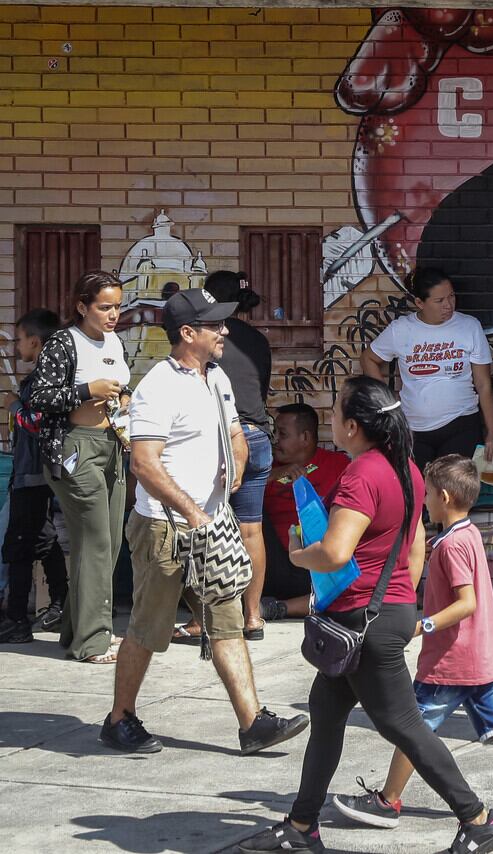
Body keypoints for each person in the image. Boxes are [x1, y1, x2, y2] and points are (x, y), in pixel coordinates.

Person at [238, 378, 493, 854]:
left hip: (364, 622)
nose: (331, 418)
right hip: (379, 614)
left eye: (337, 409)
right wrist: (401, 599)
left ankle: (477, 818)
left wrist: (300, 554)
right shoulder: (406, 467)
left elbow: (336, 552)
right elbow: (417, 544)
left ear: (353, 425)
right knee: (326, 712)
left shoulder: (362, 473)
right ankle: (301, 826)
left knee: (403, 723)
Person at [103, 288, 308, 755]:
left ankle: (253, 723)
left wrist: (235, 467)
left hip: (209, 527)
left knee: (228, 624)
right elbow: (144, 464)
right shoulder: (159, 386)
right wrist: (192, 512)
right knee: (148, 630)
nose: (225, 331)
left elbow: (236, 431)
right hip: (165, 530)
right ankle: (119, 718)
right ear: (188, 333)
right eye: (214, 325)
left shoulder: (215, 378)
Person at [333, 455, 493, 831]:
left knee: (413, 727)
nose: (423, 500)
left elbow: (466, 603)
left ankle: (388, 801)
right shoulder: (469, 534)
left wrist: (421, 625)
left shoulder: (451, 546)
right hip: (477, 658)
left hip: (451, 662)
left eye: (426, 494)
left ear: (442, 497)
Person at [30, 270, 132, 664]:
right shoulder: (63, 342)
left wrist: (123, 399)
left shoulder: (115, 341)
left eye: (117, 307)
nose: (112, 315)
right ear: (81, 307)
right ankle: (91, 641)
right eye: (104, 307)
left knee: (109, 541)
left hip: (112, 445)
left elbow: (120, 385)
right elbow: (39, 396)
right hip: (74, 446)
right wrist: (87, 390)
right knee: (95, 543)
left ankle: (81, 629)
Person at [184, 269, 274, 641]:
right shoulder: (258, 340)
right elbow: (262, 391)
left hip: (221, 440)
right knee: (251, 530)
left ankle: (200, 619)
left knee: (202, 528)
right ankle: (252, 618)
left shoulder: (205, 342)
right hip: (257, 438)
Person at [362, 267, 493, 469]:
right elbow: (368, 359)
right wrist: (389, 404)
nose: (449, 305)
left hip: (461, 423)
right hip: (413, 429)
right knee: (419, 495)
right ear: (419, 302)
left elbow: (483, 383)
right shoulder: (401, 330)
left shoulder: (469, 326)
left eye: (451, 297)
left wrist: (492, 432)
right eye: (439, 301)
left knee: (454, 494)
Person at [0, 309, 69, 644]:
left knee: (18, 548)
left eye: (21, 341)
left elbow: (38, 423)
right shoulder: (45, 376)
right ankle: (61, 604)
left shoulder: (42, 380)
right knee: (43, 539)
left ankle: (16, 620)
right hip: (34, 475)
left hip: (33, 475)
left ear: (36, 342)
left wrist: (14, 406)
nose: (16, 348)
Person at [258, 403, 350, 621]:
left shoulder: (338, 465)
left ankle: (279, 608)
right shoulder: (264, 469)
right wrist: (274, 474)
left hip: (318, 563)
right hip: (273, 564)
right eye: (274, 433)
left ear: (305, 438)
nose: (275, 441)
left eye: (282, 434)